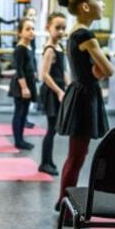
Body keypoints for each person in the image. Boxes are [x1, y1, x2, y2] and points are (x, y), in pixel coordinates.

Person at [56, 0, 115, 209]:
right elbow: (108, 70)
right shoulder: (86, 36)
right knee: (77, 156)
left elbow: (93, 71)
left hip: (81, 92)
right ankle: (64, 205)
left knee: (77, 155)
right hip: (84, 98)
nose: (103, 4)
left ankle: (63, 202)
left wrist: (95, 70)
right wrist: (101, 65)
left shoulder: (75, 32)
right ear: (85, 7)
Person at [38, 12, 70, 175]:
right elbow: (44, 75)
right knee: (51, 129)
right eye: (57, 28)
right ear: (48, 28)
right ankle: (44, 163)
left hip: (58, 89)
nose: (61, 31)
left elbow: (63, 70)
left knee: (54, 128)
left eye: (64, 28)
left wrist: (69, 85)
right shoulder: (50, 49)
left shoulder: (60, 47)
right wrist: (58, 91)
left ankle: (48, 160)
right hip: (51, 91)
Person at [8, 18, 38, 150]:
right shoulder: (20, 48)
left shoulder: (28, 46)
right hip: (21, 84)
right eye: (28, 29)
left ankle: (21, 139)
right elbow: (19, 70)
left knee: (24, 112)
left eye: (33, 29)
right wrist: (24, 88)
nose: (31, 31)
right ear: (20, 32)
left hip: (28, 82)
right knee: (19, 112)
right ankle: (18, 141)